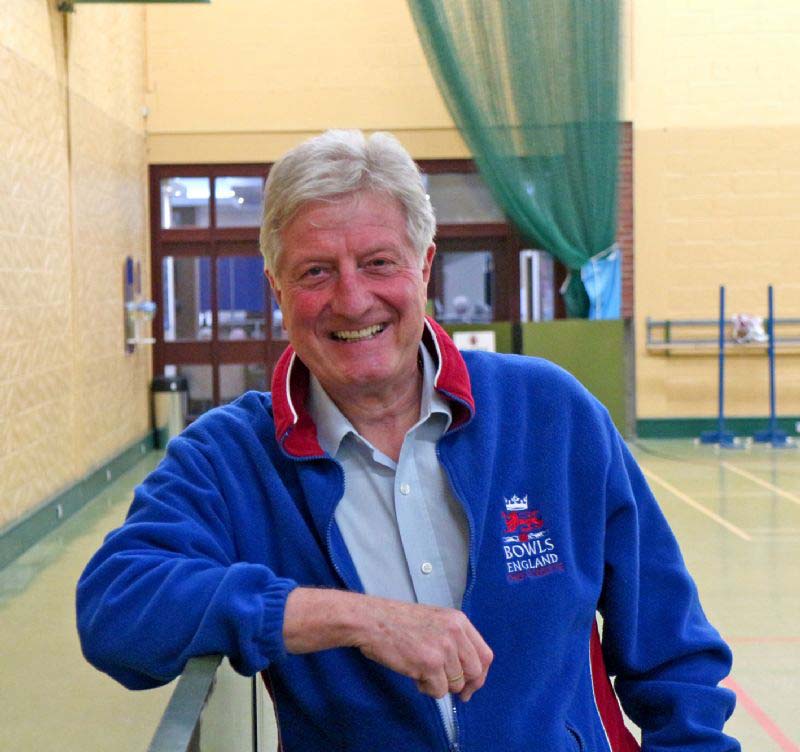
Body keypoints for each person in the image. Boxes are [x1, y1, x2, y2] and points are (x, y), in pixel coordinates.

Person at [77, 130, 740, 752]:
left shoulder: (553, 413)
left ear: (424, 265)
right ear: (276, 286)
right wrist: (354, 619)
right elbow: (117, 607)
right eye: (315, 272)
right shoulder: (230, 458)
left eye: (378, 262)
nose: (352, 299)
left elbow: (672, 654)